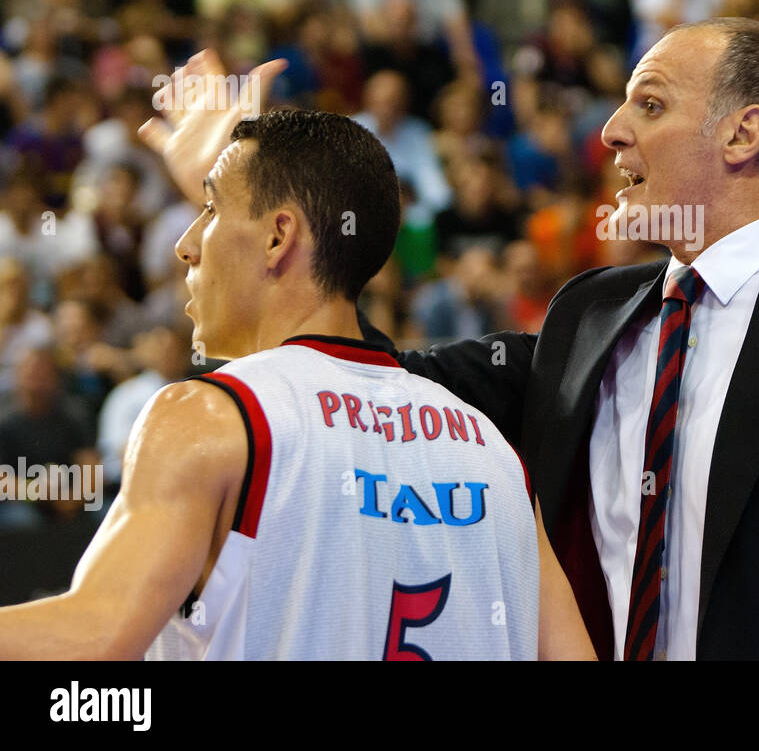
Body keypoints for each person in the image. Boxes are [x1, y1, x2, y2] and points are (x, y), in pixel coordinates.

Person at [140, 32, 759, 660]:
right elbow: (371, 385)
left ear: (744, 132)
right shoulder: (592, 313)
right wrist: (250, 212)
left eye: (648, 104)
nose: (612, 130)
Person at [0, 103, 593, 661]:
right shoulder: (493, 455)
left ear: (279, 236)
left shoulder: (208, 417)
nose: (185, 245)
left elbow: (95, 637)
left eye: (208, 210)